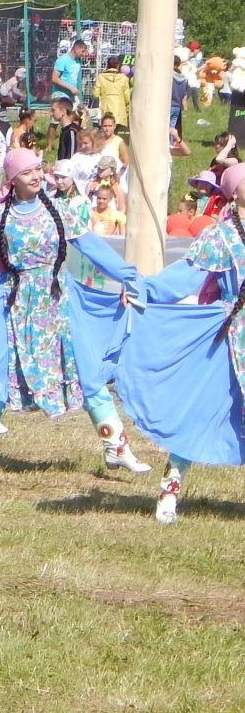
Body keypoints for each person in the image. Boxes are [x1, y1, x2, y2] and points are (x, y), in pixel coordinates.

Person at [0, 150, 145, 478]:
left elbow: (92, 247)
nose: (36, 176)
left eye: (38, 169)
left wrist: (127, 275)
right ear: (12, 179)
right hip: (15, 305)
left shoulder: (59, 211)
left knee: (84, 371)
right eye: (27, 172)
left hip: (58, 305)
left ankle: (117, 448)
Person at [117, 166, 245, 522]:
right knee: (198, 410)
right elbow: (184, 276)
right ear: (234, 192)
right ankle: (169, 493)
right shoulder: (220, 237)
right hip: (231, 336)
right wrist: (144, 290)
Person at [94, 56, 130, 130]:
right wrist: (127, 108)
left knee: (105, 132)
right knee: (115, 134)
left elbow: (95, 93)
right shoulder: (124, 78)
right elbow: (127, 96)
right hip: (119, 110)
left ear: (107, 65)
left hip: (105, 108)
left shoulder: (101, 76)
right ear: (118, 66)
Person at [53, 39, 88, 108]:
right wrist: (70, 88)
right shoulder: (63, 60)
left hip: (71, 96)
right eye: (82, 51)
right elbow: (54, 78)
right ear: (76, 49)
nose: (84, 54)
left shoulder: (78, 61)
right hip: (60, 95)